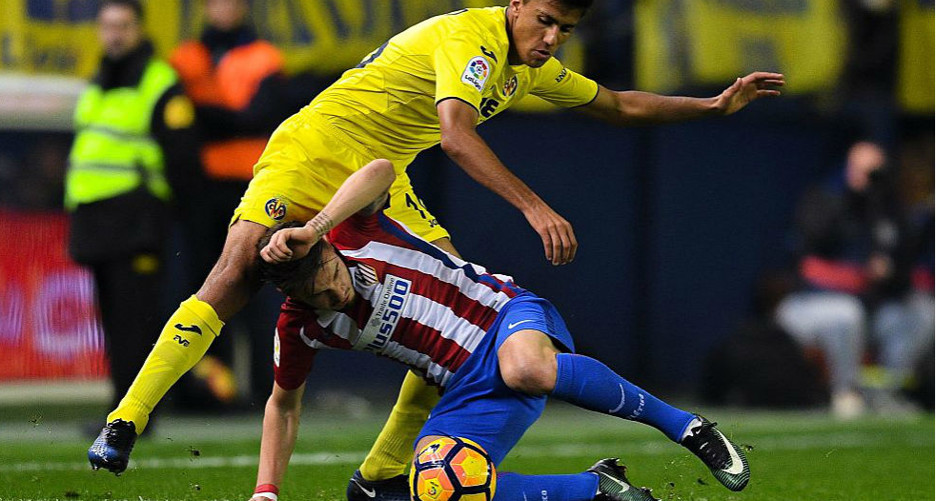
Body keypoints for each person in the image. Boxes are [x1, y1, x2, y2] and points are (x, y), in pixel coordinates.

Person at [87, 0, 783, 487]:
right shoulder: (471, 40)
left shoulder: (527, 65)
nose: (551, 39)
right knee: (235, 272)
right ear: (516, 4)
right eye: (543, 20)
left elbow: (616, 104)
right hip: (314, 149)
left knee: (453, 299)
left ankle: (389, 464)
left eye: (564, 30)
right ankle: (127, 419)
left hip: (385, 172)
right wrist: (535, 205)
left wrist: (712, 107)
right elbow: (454, 132)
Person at [245, 159, 750, 501]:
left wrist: (314, 226)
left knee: (527, 367)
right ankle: (595, 489)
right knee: (437, 487)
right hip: (465, 387)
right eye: (319, 297)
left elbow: (381, 170)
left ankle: (687, 427)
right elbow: (282, 405)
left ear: (329, 249)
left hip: (505, 315)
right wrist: (266, 492)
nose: (334, 295)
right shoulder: (301, 327)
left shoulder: (351, 231)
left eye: (331, 278)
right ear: (293, 298)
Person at [66, 0, 200, 425]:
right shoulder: (100, 81)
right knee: (113, 321)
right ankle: (121, 410)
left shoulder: (159, 81)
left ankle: (137, 414)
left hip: (137, 216)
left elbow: (182, 156)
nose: (114, 34)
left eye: (123, 25)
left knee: (135, 320)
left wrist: (172, 212)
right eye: (107, 25)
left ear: (140, 28)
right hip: (96, 217)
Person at [169, 0, 291, 407]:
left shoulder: (263, 58)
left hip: (251, 186)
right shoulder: (185, 58)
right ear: (206, 5)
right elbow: (178, 123)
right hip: (202, 190)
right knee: (206, 288)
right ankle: (209, 392)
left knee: (257, 290)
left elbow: (255, 118)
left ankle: (265, 390)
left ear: (242, 5)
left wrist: (203, 107)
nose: (223, 8)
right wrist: (220, 114)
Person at [777, 141, 934, 418]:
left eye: (874, 171)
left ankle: (885, 392)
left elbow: (905, 271)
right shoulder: (825, 201)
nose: (867, 178)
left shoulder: (888, 212)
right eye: (860, 169)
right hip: (808, 306)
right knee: (847, 313)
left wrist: (890, 272)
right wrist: (863, 275)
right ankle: (846, 392)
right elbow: (809, 268)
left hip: (871, 309)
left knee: (923, 311)